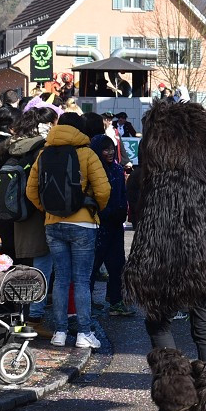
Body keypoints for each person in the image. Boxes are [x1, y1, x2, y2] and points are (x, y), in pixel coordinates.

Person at [124, 101, 206, 411]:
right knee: (203, 323)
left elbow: (149, 212)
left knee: (157, 317)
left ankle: (173, 395)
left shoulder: (159, 158)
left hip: (169, 252)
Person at [26, 112, 109, 349]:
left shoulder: (44, 153)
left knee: (60, 279)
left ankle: (59, 332)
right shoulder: (86, 153)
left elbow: (32, 191)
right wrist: (93, 209)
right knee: (81, 280)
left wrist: (48, 209)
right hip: (83, 224)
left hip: (53, 223)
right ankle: (84, 333)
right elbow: (103, 190)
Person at [1, 108, 58, 332]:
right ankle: (34, 318)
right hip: (37, 215)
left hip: (14, 215)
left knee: (20, 266)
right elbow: (42, 185)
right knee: (42, 266)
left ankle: (16, 315)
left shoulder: (14, 147)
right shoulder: (41, 150)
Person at [89, 135, 133, 316]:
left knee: (118, 265)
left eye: (112, 148)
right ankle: (88, 303)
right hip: (98, 224)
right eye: (105, 149)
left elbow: (123, 194)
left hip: (116, 224)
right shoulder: (93, 169)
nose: (110, 152)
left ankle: (116, 301)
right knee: (93, 265)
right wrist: (105, 213)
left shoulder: (116, 168)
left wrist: (123, 212)